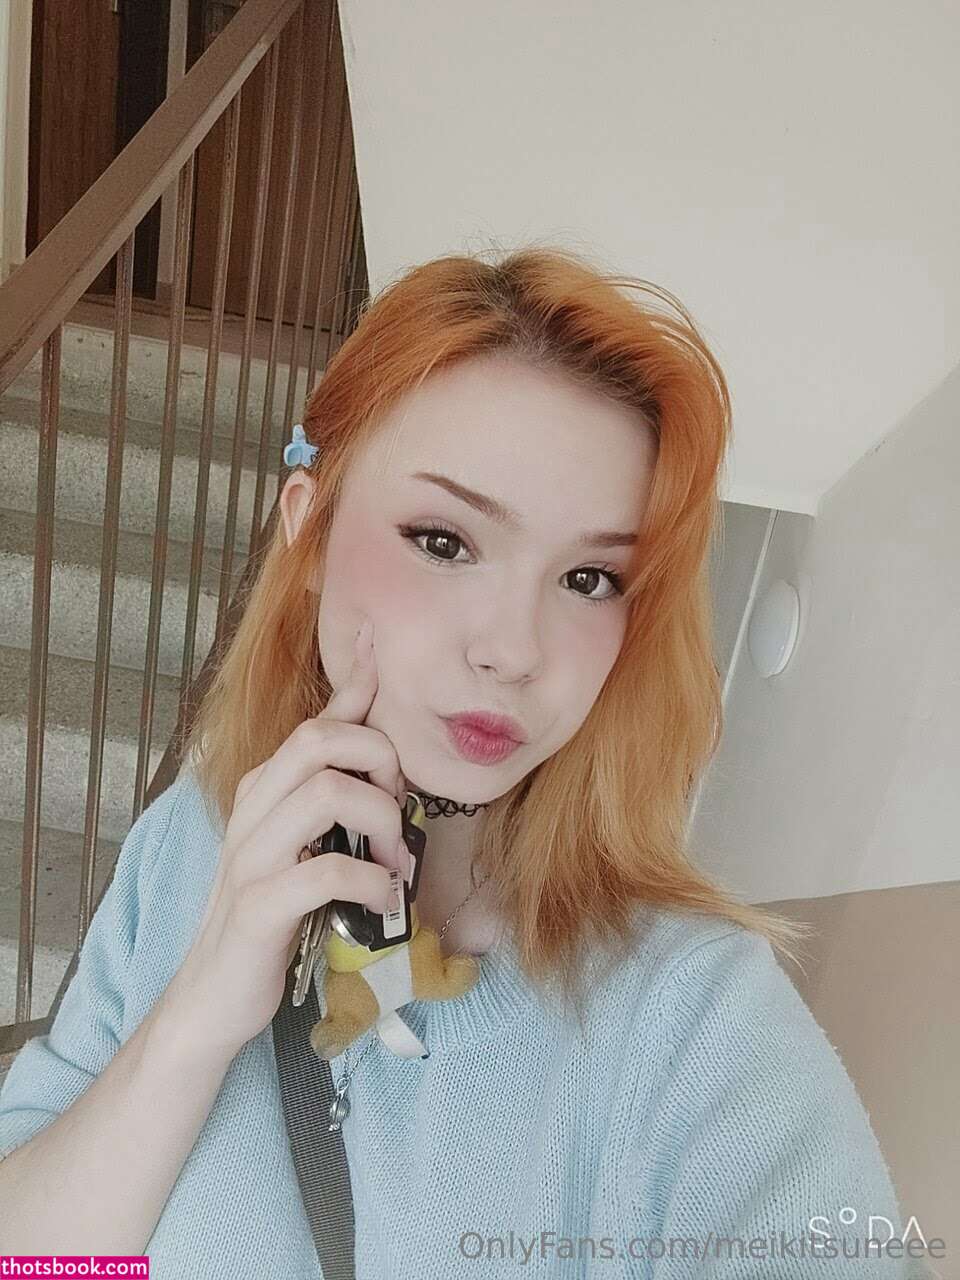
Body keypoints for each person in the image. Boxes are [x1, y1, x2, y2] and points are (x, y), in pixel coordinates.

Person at [0, 246, 925, 1277]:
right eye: (444, 541)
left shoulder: (693, 1018)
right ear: (308, 533)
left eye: (589, 578)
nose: (514, 650)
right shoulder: (193, 840)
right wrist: (195, 1021)